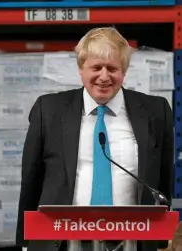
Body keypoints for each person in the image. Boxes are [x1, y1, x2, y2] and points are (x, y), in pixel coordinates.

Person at [16, 27, 173, 251]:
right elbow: (31, 179)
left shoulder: (156, 111)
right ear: (81, 69)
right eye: (96, 67)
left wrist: (158, 239)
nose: (104, 76)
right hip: (59, 241)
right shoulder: (49, 110)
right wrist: (25, 240)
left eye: (112, 68)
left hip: (132, 241)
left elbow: (163, 180)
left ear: (124, 71)